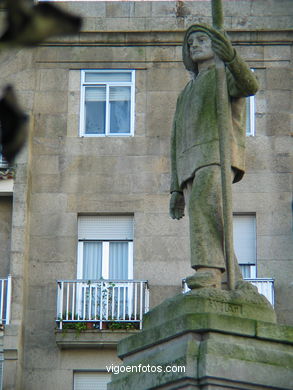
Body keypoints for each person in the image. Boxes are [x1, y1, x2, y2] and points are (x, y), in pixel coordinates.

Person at [169, 24, 259, 289]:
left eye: (201, 40)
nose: (194, 45)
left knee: (205, 206)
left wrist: (231, 57)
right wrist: (174, 188)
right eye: (190, 43)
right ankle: (234, 277)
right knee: (210, 213)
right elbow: (175, 140)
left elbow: (250, 85)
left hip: (216, 152)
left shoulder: (223, 75)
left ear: (215, 45)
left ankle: (208, 268)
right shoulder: (184, 93)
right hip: (188, 163)